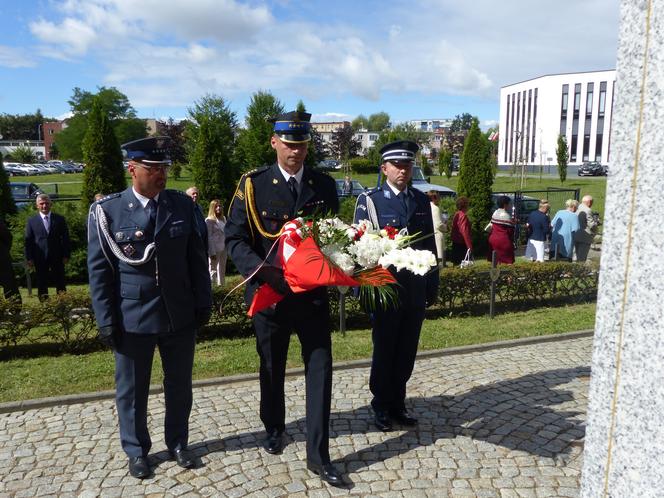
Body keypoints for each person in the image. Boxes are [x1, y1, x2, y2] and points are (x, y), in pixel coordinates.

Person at [224, 111, 343, 486]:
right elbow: (235, 239)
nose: (296, 151)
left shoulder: (323, 186)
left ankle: (319, 455)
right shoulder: (254, 184)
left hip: (312, 298)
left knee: (321, 368)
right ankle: (273, 425)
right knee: (272, 365)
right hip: (271, 294)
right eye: (289, 144)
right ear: (274, 143)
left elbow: (334, 238)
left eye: (302, 144)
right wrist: (264, 272)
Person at [87, 137, 212, 480]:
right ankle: (137, 450)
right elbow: (99, 273)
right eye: (153, 168)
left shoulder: (182, 206)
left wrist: (203, 301)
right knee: (132, 390)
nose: (161, 174)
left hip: (178, 314)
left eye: (164, 168)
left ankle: (178, 442)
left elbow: (196, 259)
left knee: (179, 385)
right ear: (132, 169)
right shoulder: (108, 211)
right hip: (132, 318)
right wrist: (106, 320)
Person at [353, 140, 439, 433]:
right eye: (397, 165)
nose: (403, 170)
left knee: (407, 349)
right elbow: (360, 249)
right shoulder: (371, 200)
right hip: (384, 289)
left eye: (408, 165)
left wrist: (432, 285)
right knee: (385, 348)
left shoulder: (420, 200)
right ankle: (380, 404)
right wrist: (362, 291)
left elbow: (429, 245)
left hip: (414, 289)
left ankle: (398, 402)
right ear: (384, 168)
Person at [24, 194, 70, 300]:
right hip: (39, 256)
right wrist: (29, 258)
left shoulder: (59, 219)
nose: (44, 206)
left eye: (47, 203)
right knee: (41, 282)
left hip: (57, 255)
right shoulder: (32, 221)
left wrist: (66, 254)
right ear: (37, 206)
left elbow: (65, 238)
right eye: (41, 204)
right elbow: (28, 241)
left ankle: (63, 303)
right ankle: (44, 305)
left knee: (60, 281)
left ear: (51, 204)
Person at [486, 195, 516, 264]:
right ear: (505, 205)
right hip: (503, 241)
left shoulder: (495, 213)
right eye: (509, 204)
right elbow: (511, 232)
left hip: (492, 240)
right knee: (508, 262)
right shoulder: (507, 216)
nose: (510, 206)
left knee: (494, 261)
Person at [205, 199, 227, 286]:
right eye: (216, 206)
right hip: (214, 248)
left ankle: (221, 286)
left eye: (220, 206)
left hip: (224, 247)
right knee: (213, 269)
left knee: (222, 269)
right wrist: (212, 252)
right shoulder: (209, 220)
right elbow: (209, 237)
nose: (218, 208)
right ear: (212, 208)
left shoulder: (223, 218)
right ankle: (212, 288)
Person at [0, 218, 20, 301]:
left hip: (2, 259)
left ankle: (14, 308)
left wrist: (3, 251)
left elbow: (8, 237)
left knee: (9, 284)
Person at [574, 195, 598, 262]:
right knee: (582, 258)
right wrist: (596, 223)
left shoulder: (577, 207)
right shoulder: (588, 210)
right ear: (589, 202)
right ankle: (580, 271)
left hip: (575, 235)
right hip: (585, 236)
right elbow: (591, 225)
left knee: (576, 256)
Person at [450, 196, 473, 265]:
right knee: (463, 265)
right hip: (461, 244)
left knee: (457, 264)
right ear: (465, 205)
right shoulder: (463, 216)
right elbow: (465, 232)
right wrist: (469, 246)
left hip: (455, 243)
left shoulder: (457, 214)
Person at [186, 186, 209, 254]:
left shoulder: (199, 207)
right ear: (187, 196)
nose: (195, 195)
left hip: (202, 244)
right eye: (193, 193)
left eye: (197, 193)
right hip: (192, 246)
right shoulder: (185, 209)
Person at [427, 190, 447, 264]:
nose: (440, 199)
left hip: (432, 234)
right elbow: (438, 224)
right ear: (434, 198)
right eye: (438, 197)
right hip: (437, 235)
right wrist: (446, 227)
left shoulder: (428, 207)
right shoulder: (435, 208)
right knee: (439, 258)